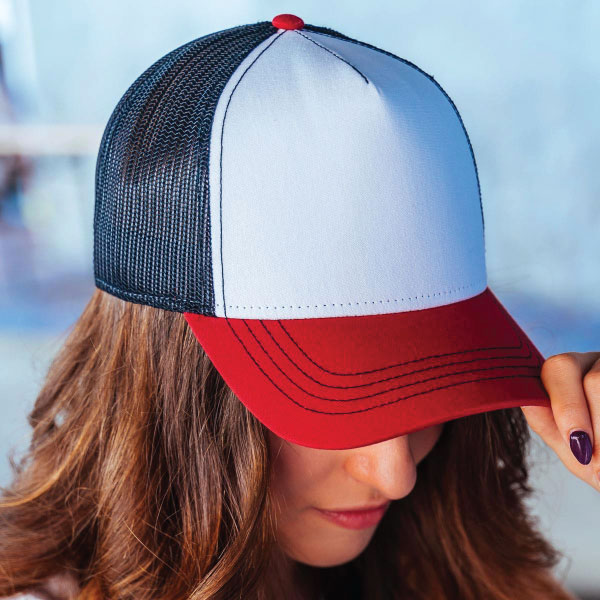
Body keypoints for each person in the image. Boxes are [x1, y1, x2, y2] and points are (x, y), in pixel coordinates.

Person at [1, 14, 598, 600]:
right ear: (167, 379)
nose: (397, 476)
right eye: (336, 400)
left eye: (429, 387)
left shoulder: (475, 580)